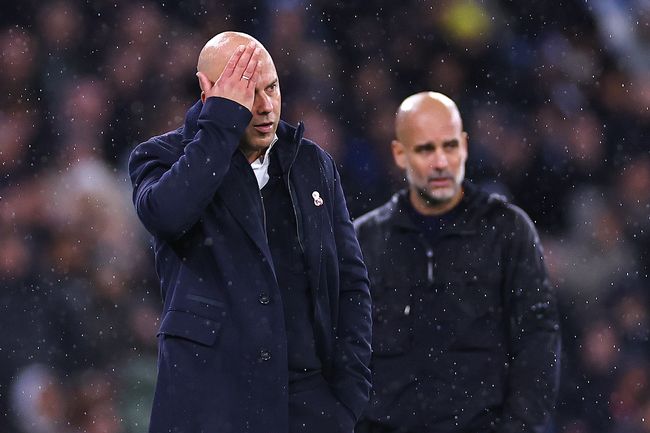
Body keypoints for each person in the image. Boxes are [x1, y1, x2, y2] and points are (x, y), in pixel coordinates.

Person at [128, 31, 372, 433]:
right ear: (209, 94)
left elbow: (350, 283)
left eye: (271, 88)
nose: (265, 106)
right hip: (209, 406)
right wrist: (219, 126)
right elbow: (167, 215)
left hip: (307, 408)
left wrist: (349, 395)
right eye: (245, 92)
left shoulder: (312, 163)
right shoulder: (162, 157)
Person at [353, 91, 561, 433]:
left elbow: (537, 342)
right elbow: (344, 355)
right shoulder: (364, 241)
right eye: (425, 149)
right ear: (399, 154)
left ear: (464, 146)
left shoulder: (507, 231)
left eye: (449, 146)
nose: (440, 162)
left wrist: (518, 427)